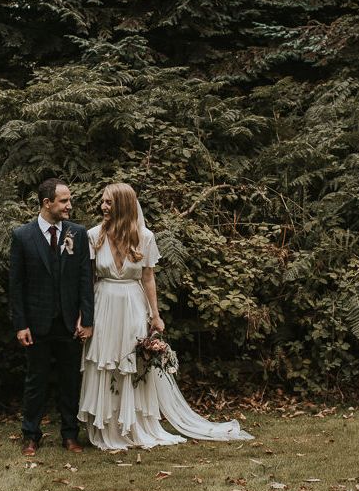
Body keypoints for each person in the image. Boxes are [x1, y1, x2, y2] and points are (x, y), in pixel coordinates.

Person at [78, 182, 252, 450]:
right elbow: (87, 280)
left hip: (133, 306)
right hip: (103, 305)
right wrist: (84, 316)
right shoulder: (93, 235)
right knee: (105, 363)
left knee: (133, 363)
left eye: (109, 202)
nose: (103, 206)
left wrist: (155, 315)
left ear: (123, 205)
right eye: (102, 201)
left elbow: (148, 278)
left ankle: (133, 426)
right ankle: (107, 426)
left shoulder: (145, 237)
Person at [9, 178, 94, 455]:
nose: (70, 205)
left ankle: (70, 434)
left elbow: (85, 279)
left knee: (71, 381)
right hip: (37, 323)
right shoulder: (22, 236)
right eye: (64, 201)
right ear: (47, 203)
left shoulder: (77, 234)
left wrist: (87, 319)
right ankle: (31, 435)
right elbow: (16, 284)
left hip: (69, 322)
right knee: (36, 381)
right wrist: (21, 324)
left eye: (69, 200)